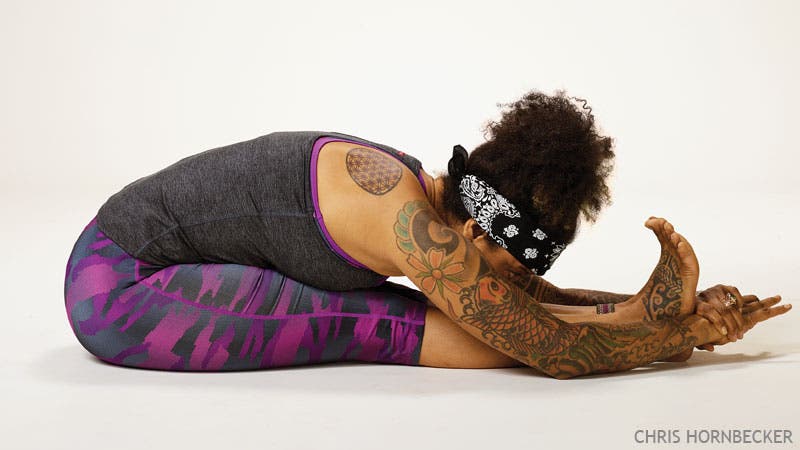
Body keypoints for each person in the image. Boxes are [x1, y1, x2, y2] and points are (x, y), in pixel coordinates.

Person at [63, 89, 791, 378]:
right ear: (476, 228)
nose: (516, 276)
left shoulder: (432, 203)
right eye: (507, 261)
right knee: (366, 321)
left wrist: (650, 307)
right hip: (119, 286)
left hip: (144, 268)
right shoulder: (403, 219)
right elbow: (545, 346)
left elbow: (529, 296)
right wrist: (671, 338)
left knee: (433, 314)